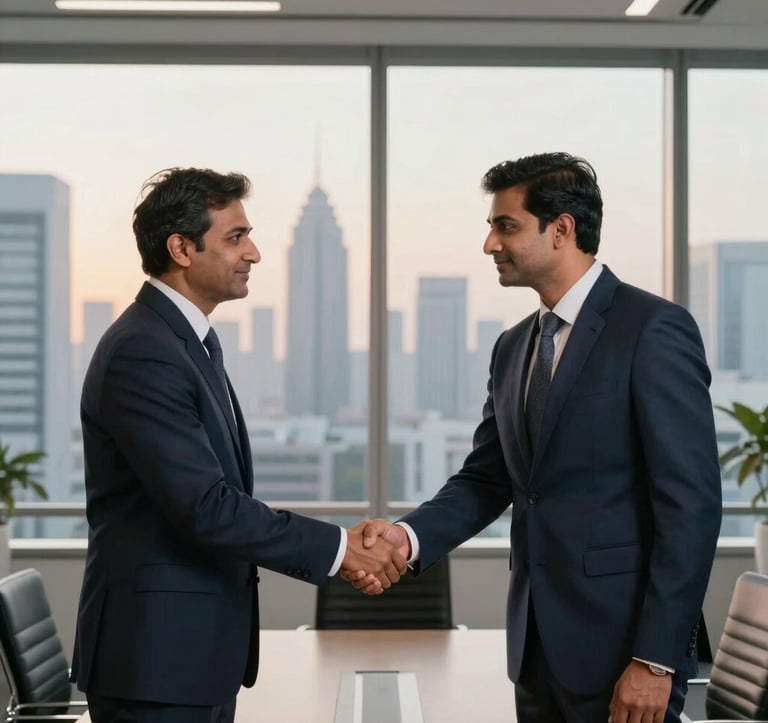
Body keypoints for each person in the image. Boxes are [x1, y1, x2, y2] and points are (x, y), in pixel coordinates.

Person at [347, 152, 722, 723]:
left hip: (627, 653)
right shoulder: (514, 346)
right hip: (537, 649)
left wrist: (656, 659)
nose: (490, 245)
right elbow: (485, 480)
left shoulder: (652, 329)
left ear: (562, 229)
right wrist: (405, 538)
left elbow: (690, 506)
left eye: (506, 225)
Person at [71, 167, 405, 723]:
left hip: (190, 657)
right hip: (155, 663)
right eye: (235, 237)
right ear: (181, 247)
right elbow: (205, 507)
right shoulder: (144, 350)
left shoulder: (188, 342)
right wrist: (343, 549)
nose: (253, 253)